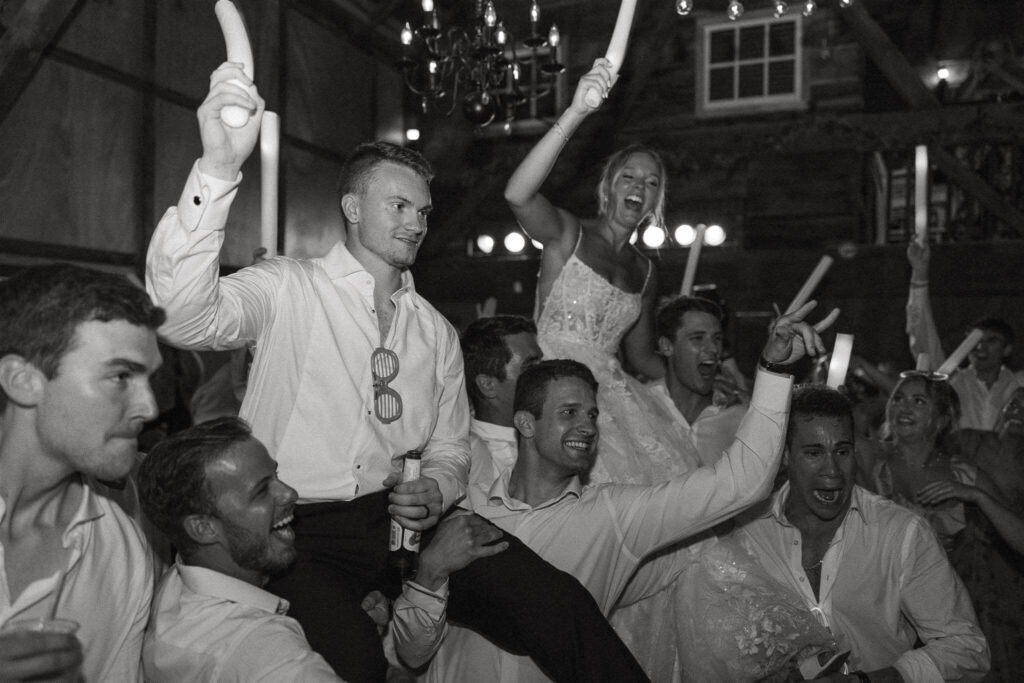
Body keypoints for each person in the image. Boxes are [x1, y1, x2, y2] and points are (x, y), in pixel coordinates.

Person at [146, 63, 647, 683]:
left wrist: (436, 487)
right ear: (353, 207)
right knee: (356, 663)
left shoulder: (434, 330)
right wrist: (218, 170)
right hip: (299, 531)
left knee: (559, 606)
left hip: (409, 525)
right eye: (399, 205)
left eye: (424, 210)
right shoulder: (287, 287)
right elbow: (180, 317)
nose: (416, 222)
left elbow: (450, 446)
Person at [425, 300, 838, 682]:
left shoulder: (614, 515)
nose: (587, 425)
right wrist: (428, 572)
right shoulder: (467, 507)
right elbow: (410, 648)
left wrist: (774, 371)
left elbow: (741, 482)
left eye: (592, 414)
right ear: (526, 424)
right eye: (570, 413)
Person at [138, 417, 502, 682]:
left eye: (278, 476)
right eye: (262, 490)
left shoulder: (176, 586)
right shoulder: (270, 657)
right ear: (202, 527)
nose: (290, 494)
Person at [505, 58, 701, 486]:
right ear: (609, 184)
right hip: (552, 389)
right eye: (629, 176)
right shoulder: (568, 233)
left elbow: (643, 357)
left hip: (611, 397)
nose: (638, 187)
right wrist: (576, 111)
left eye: (650, 184)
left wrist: (700, 376)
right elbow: (518, 195)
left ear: (656, 203)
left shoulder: (645, 272)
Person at [735, 385, 990, 682]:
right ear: (785, 456)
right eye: (814, 452)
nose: (833, 470)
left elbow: (967, 647)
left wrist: (874, 680)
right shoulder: (750, 532)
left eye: (842, 451)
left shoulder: (901, 533)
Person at [0, 263, 163, 682]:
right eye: (121, 376)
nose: (149, 408)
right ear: (22, 381)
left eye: (149, 379)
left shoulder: (122, 551)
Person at [906, 241, 1022, 429]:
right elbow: (922, 337)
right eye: (973, 341)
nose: (980, 347)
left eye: (991, 340)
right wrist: (919, 274)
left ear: (1007, 349)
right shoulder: (949, 379)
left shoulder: (1017, 385)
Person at [651, 295, 748, 466]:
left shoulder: (739, 417)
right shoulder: (641, 405)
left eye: (717, 339)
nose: (712, 349)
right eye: (697, 338)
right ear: (666, 346)